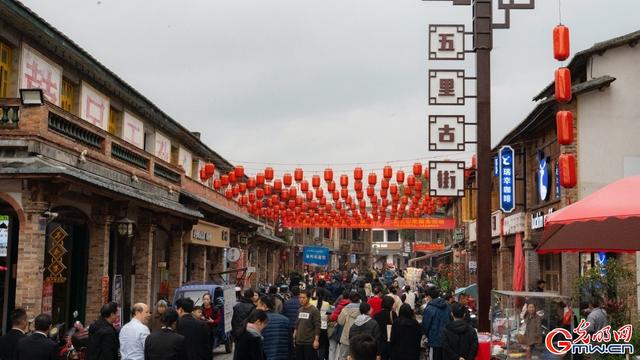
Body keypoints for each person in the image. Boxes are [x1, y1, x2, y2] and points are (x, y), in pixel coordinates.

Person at [422, 287, 452, 360]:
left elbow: (426, 325)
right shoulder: (447, 306)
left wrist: (426, 335)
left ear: (429, 296)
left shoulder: (429, 308)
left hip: (434, 340)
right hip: (447, 339)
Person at [294, 289, 321, 360]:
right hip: (299, 342)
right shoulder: (299, 310)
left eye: (303, 298)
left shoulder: (314, 310)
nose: (301, 300)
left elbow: (317, 326)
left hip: (309, 343)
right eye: (300, 298)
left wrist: (316, 340)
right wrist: (294, 337)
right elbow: (297, 325)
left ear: (308, 298)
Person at [337, 291, 362, 360]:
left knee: (343, 356)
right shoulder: (362, 309)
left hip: (346, 337)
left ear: (349, 299)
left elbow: (340, 322)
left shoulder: (345, 309)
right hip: (359, 338)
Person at [373, 296, 396, 360]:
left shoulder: (376, 315)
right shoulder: (393, 314)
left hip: (380, 342)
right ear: (391, 304)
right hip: (390, 341)